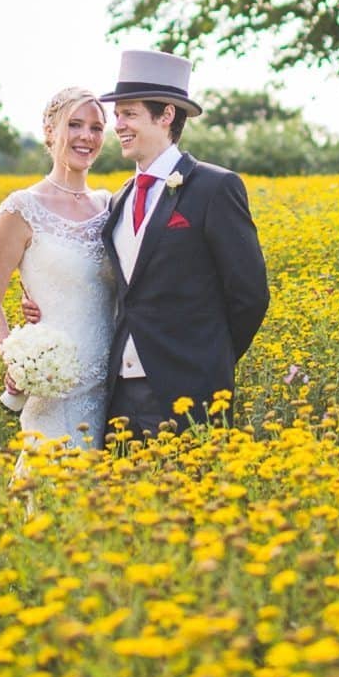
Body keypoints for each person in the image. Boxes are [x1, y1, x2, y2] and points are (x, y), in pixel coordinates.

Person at [98, 48, 270, 439]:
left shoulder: (214, 187)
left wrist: (209, 360)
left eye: (129, 114)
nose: (118, 125)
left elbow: (250, 295)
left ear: (166, 115)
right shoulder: (119, 199)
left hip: (191, 393)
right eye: (117, 115)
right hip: (119, 398)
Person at [0, 88, 115, 451]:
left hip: (116, 391)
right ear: (50, 130)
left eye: (97, 128)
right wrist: (17, 358)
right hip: (56, 388)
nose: (87, 136)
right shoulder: (21, 208)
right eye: (75, 124)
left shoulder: (111, 205)